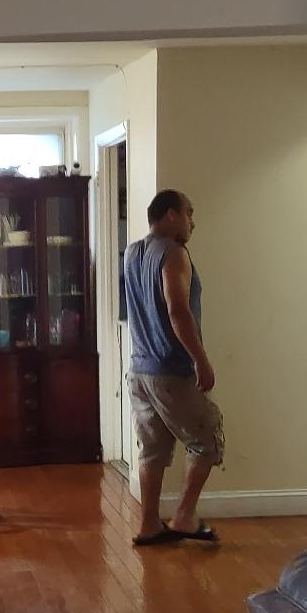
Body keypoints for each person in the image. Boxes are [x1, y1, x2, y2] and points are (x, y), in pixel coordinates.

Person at [122, 189, 222, 546]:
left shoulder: (132, 253)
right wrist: (201, 360)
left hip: (139, 371)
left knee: (153, 449)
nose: (193, 221)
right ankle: (183, 517)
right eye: (188, 213)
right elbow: (177, 310)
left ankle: (149, 524)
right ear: (169, 215)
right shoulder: (175, 253)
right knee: (208, 438)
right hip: (170, 370)